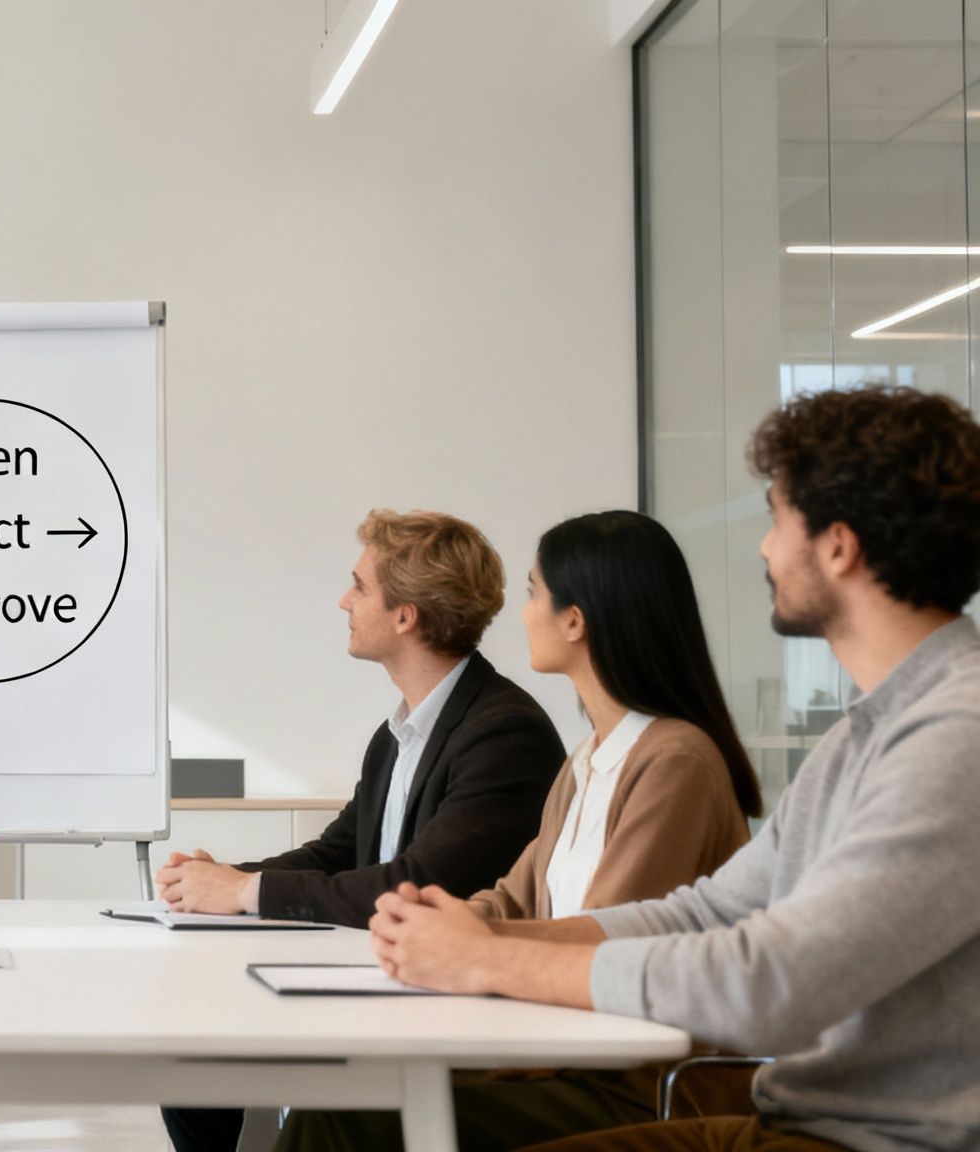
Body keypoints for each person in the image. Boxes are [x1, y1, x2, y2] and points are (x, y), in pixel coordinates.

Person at [370, 384, 980, 1152]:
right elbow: (706, 912)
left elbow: (770, 985)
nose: (763, 547)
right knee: (363, 1117)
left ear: (837, 544)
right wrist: (464, 942)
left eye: (776, 517)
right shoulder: (868, 733)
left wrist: (488, 959)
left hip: (870, 1139)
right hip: (800, 1120)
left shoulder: (958, 735)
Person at [279, 510, 761, 1152]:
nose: (521, 612)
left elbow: (605, 940)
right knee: (343, 1092)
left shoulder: (673, 761)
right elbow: (511, 899)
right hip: (573, 1057)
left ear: (575, 620)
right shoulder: (589, 759)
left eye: (534, 592)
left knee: (343, 1110)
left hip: (637, 1085)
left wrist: (463, 945)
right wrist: (424, 920)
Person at [159, 509, 568, 1152]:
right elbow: (338, 851)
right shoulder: (397, 733)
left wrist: (241, 893)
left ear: (405, 615)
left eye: (359, 586)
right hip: (380, 977)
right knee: (193, 1060)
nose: (343, 601)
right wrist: (222, 877)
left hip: (444, 1003)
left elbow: (412, 883)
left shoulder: (502, 732)